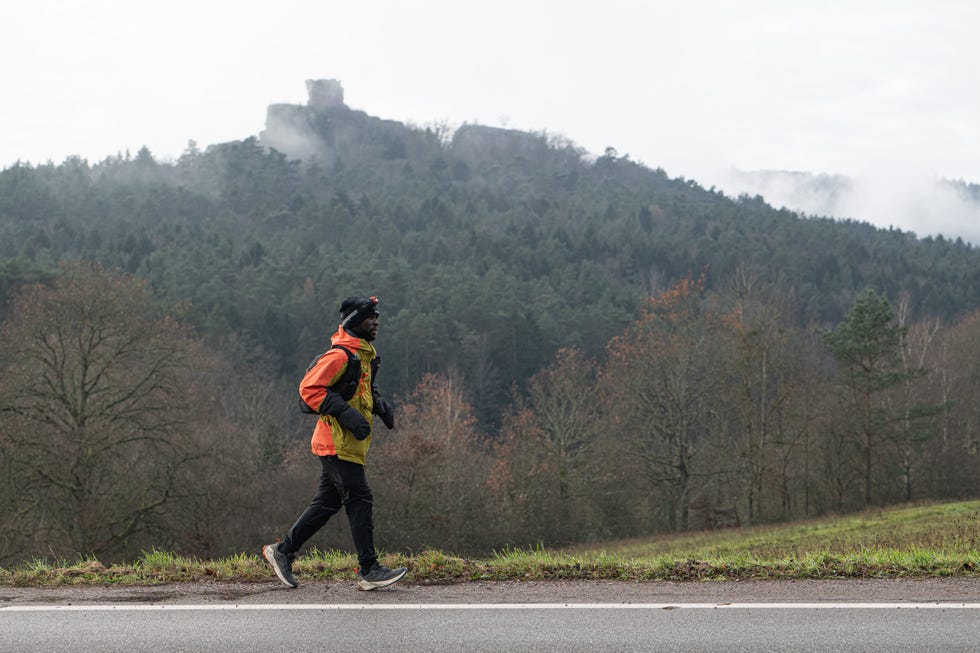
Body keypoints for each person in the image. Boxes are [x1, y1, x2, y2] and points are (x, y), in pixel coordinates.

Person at [263, 295, 405, 591]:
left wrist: (379, 406)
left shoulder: (363, 356)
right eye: (370, 318)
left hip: (348, 444)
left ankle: (282, 551)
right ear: (354, 321)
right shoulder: (339, 356)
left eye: (377, 317)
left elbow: (360, 391)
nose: (376, 322)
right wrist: (346, 413)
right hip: (335, 443)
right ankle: (369, 569)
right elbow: (308, 390)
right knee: (360, 498)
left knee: (327, 503)